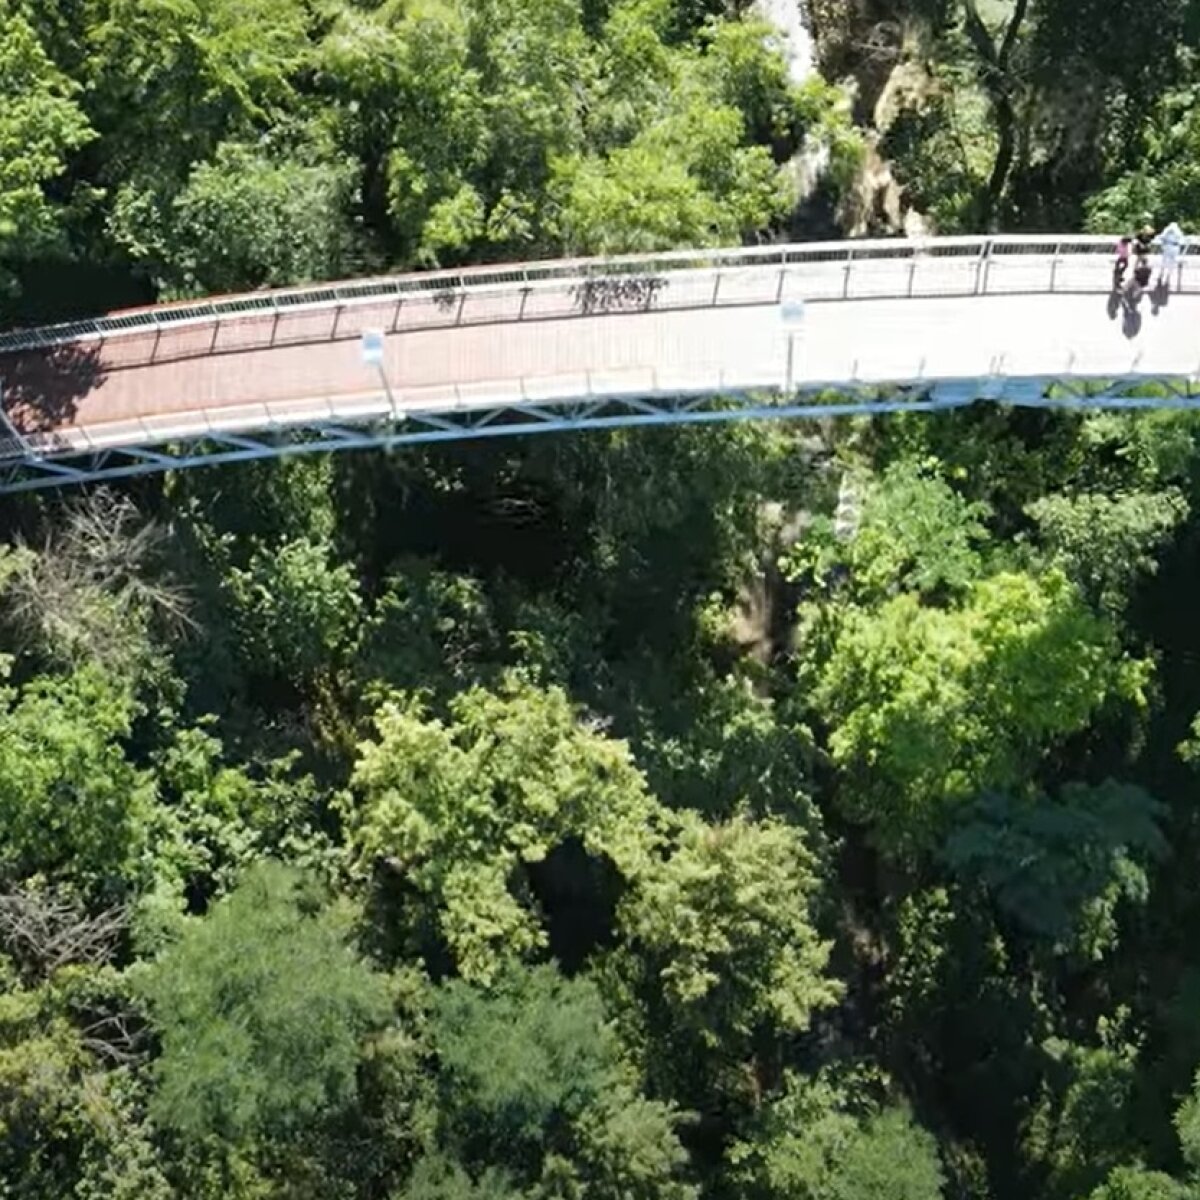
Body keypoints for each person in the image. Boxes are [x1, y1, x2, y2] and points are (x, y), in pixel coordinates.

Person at [1158, 220, 1184, 287]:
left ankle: (1166, 276)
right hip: (1169, 247)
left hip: (1172, 248)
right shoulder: (1167, 230)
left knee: (1170, 263)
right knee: (1166, 262)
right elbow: (1161, 237)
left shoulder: (1176, 231)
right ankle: (1162, 275)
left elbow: (1181, 239)